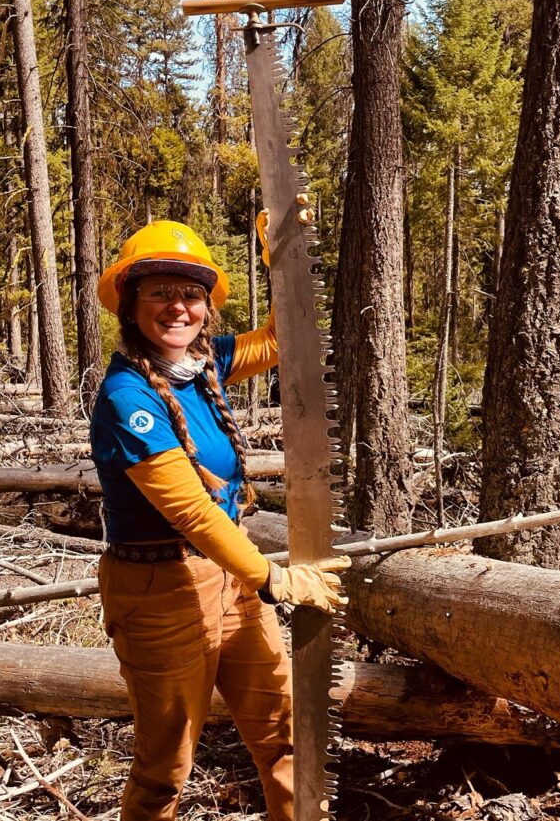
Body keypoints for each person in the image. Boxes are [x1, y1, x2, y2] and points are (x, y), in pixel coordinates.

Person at [90, 219, 349, 821]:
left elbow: (283, 341)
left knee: (285, 734)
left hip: (232, 580)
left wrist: (282, 256)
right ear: (129, 303)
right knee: (166, 770)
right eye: (159, 292)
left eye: (191, 293)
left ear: (207, 305)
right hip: (160, 594)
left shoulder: (203, 362)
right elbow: (190, 510)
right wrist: (273, 578)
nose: (177, 307)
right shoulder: (128, 397)